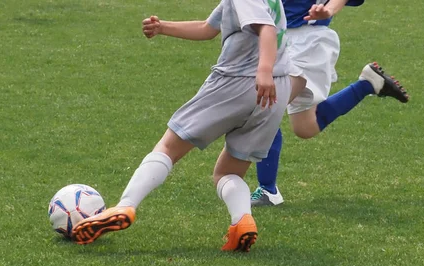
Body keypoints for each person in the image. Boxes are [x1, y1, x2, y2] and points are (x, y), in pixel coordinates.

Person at [71, 0, 290, 252]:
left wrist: (262, 71)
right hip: (275, 92)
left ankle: (125, 205)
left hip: (241, 81)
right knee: (228, 172)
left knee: (168, 146)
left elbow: (266, 29)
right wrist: (163, 27)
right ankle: (242, 221)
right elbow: (208, 28)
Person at [251, 0, 410, 206]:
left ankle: (267, 190)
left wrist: (329, 10)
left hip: (306, 41)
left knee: (265, 109)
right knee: (305, 127)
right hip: (278, 41)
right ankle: (368, 84)